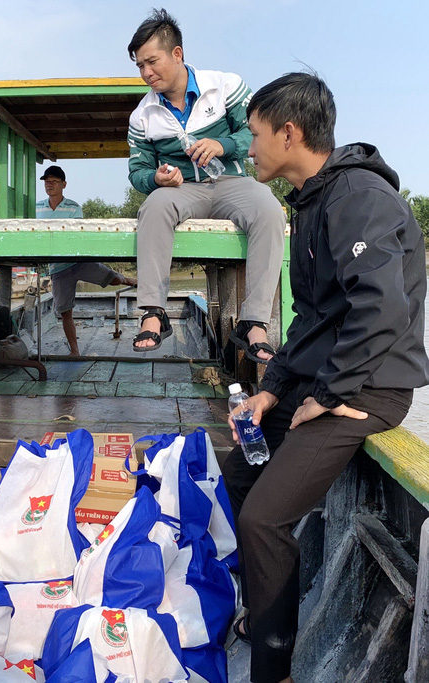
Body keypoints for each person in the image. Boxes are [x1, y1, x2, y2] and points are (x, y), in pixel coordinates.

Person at [222, 72, 429, 683]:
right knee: (239, 469)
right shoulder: (311, 204)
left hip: (367, 388)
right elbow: (313, 318)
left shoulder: (357, 197)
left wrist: (329, 395)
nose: (248, 147)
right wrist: (271, 388)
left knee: (263, 519)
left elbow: (382, 308)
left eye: (254, 134)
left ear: (290, 132)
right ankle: (270, 597)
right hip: (325, 382)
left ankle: (273, 667)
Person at [127, 9, 286, 356]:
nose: (146, 73)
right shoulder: (142, 116)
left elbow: (255, 132)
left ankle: (254, 322)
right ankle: (153, 313)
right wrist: (156, 177)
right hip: (182, 192)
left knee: (270, 210)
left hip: (231, 181)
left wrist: (223, 144)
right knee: (153, 206)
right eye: (139, 66)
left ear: (177, 54)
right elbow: (137, 171)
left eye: (151, 62)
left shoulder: (226, 86)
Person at [36, 165, 136, 355]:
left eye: (54, 182)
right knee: (65, 312)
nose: (49, 185)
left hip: (78, 261)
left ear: (63, 185)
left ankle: (125, 278)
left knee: (112, 279)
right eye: (47, 182)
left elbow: (77, 236)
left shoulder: (73, 207)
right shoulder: (37, 207)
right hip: (57, 268)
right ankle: (75, 351)